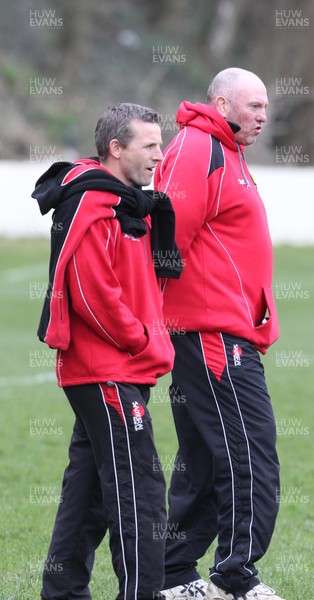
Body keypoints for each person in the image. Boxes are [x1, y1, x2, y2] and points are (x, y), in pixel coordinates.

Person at [32, 103, 182, 600]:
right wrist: (141, 341)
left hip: (116, 369)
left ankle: (62, 591)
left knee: (91, 492)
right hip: (108, 370)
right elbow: (91, 295)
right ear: (116, 149)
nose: (160, 155)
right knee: (140, 490)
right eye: (150, 145)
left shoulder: (123, 202)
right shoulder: (92, 204)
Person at [154, 68, 284, 600]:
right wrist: (166, 319)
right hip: (211, 336)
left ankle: (174, 573)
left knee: (204, 461)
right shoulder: (198, 148)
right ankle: (236, 575)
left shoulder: (225, 152)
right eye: (253, 105)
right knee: (251, 451)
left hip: (222, 333)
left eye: (265, 107)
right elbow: (164, 241)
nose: (262, 116)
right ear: (220, 102)